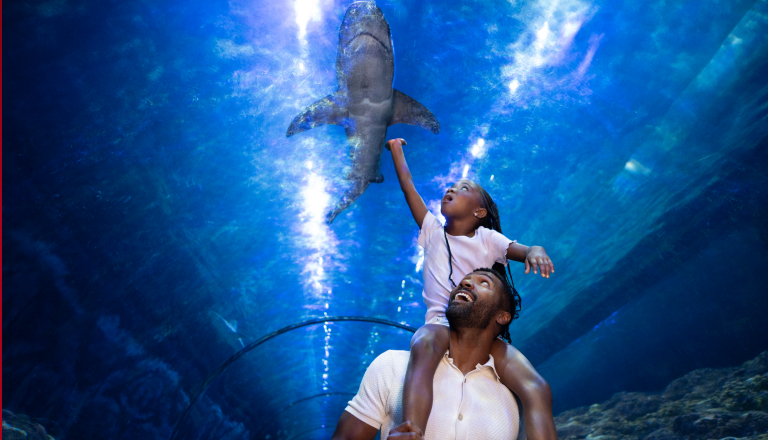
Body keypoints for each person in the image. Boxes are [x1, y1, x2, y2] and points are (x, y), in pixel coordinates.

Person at [384, 138, 557, 439]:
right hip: (442, 324)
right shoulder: (431, 231)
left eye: (464, 189)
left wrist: (536, 251)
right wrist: (396, 149)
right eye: (451, 186)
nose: (452, 189)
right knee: (423, 344)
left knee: (537, 387)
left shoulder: (487, 239)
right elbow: (408, 186)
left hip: (480, 331)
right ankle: (412, 429)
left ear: (479, 212)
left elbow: (525, 249)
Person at [331, 269, 528, 440]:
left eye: (484, 282)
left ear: (503, 316)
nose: (465, 283)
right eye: (463, 281)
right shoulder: (391, 365)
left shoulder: (513, 402)